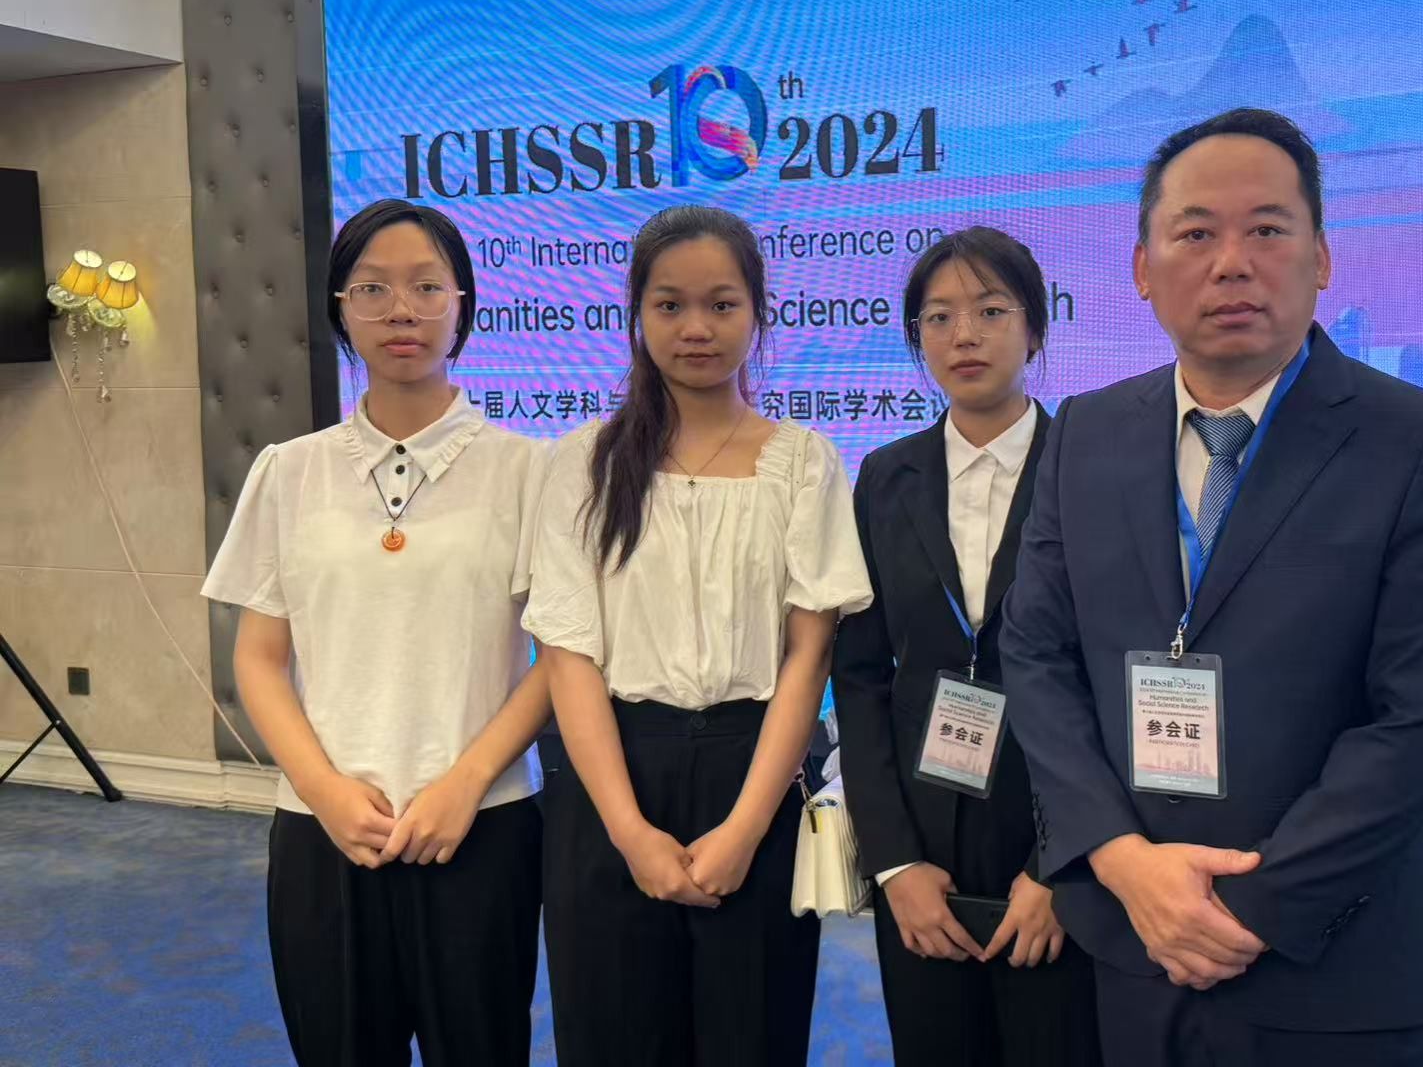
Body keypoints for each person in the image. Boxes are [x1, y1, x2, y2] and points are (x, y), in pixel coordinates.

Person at [1002, 108, 1423, 1066]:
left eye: (1268, 229)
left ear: (1322, 256)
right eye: (1195, 234)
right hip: (1134, 943)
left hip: (1341, 969)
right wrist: (1123, 863)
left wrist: (1248, 909)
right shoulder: (1086, 433)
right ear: (1142, 269)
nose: (1232, 263)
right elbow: (1036, 655)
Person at [203, 198, 551, 1066]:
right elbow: (260, 658)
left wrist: (465, 782)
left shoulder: (530, 471)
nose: (402, 310)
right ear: (340, 308)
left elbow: (561, 660)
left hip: (481, 824)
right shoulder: (289, 472)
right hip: (322, 831)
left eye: (427, 287)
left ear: (463, 304)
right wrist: (322, 788)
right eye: (373, 289)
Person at [524, 204, 872, 1066]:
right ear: (637, 315)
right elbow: (568, 656)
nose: (696, 328)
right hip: (610, 776)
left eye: (722, 304)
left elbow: (808, 657)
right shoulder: (583, 462)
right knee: (612, 1038)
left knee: (750, 1037)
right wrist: (629, 831)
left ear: (758, 312)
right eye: (670, 305)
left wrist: (748, 828)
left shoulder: (803, 462)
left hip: (755, 772)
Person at [835, 228, 1102, 1067]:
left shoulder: (1093, 472)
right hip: (924, 848)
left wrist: (1065, 869)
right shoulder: (886, 476)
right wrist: (893, 863)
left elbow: (1114, 682)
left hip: (1053, 836)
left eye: (991, 311)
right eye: (939, 317)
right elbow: (860, 676)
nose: (965, 336)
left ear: (1036, 328)